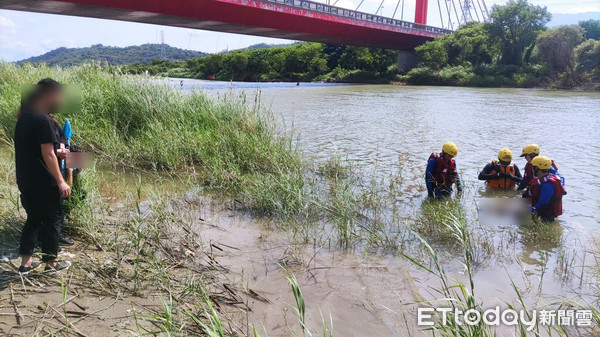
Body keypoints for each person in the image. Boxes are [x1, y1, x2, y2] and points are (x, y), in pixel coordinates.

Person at [15, 78, 72, 274]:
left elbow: (37, 151)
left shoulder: (24, 118)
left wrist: (58, 151)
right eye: (59, 95)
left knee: (33, 220)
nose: (60, 100)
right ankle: (51, 264)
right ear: (49, 95)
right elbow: (48, 154)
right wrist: (61, 181)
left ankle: (25, 264)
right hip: (45, 181)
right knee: (52, 221)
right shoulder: (45, 120)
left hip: (25, 179)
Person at [527, 156, 566, 221]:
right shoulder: (542, 179)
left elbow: (542, 204)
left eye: (533, 167)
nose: (532, 169)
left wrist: (528, 211)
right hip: (540, 211)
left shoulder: (547, 185)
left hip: (546, 216)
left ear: (536, 168)